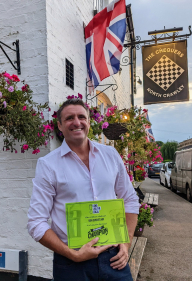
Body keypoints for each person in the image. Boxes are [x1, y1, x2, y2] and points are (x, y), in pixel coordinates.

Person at [27, 99, 140, 281]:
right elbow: (36, 222)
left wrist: (126, 245)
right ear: (60, 126)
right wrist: (73, 255)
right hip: (72, 263)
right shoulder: (48, 164)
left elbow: (130, 199)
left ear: (88, 122)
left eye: (81, 117)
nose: (77, 122)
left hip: (114, 257)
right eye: (69, 118)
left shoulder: (110, 155)